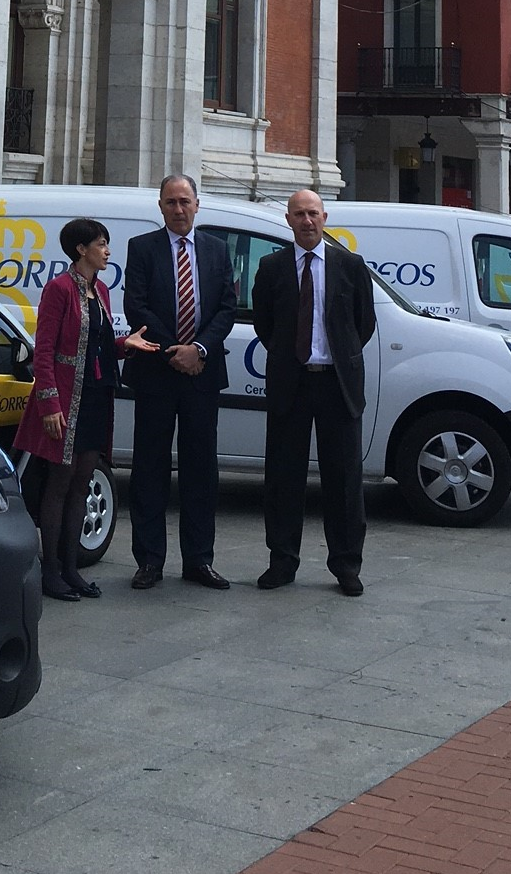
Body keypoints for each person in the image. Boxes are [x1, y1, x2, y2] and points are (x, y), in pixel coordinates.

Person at [14, 218, 159, 601]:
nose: (107, 251)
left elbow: (98, 345)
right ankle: (50, 570)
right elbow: (44, 351)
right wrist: (49, 403)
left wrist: (126, 345)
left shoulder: (101, 291)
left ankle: (71, 568)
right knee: (59, 484)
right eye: (101, 244)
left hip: (95, 398)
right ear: (81, 249)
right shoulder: (59, 289)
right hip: (64, 399)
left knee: (82, 481)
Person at [251, 189, 377, 596]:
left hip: (337, 384)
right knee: (283, 477)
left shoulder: (350, 265)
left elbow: (363, 324)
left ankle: (346, 565)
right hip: (292, 382)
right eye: (299, 214)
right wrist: (291, 356)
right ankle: (282, 561)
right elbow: (264, 324)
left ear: (325, 217)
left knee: (344, 479)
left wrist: (336, 356)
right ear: (288, 220)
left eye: (313, 214)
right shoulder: (271, 267)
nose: (307, 221)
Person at [122, 174, 238, 590]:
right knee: (149, 468)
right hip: (155, 373)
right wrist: (175, 351)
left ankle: (199, 560)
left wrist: (198, 350)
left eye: (184, 201)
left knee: (200, 470)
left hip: (202, 376)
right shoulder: (142, 248)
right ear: (160, 206)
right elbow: (135, 305)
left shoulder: (217, 250)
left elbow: (227, 307)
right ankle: (149, 560)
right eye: (170, 202)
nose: (178, 209)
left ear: (197, 204)